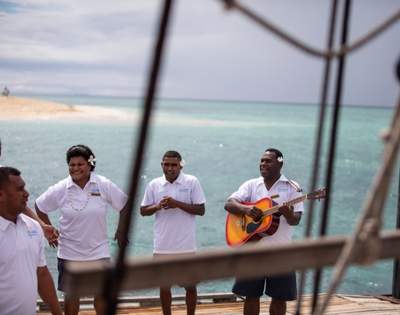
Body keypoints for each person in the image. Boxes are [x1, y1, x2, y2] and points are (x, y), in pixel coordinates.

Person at [35, 144, 129, 315]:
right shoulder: (61, 187)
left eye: (80, 164)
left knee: (101, 295)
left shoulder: (103, 184)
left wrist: (121, 230)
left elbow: (124, 204)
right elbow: (39, 206)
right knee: (72, 296)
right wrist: (48, 231)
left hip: (98, 251)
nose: (75, 168)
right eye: (72, 165)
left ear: (90, 164)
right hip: (69, 252)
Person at [224, 148, 304, 315]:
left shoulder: (292, 188)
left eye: (268, 161)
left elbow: (295, 220)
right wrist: (246, 210)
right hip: (252, 251)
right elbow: (229, 204)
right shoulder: (252, 185)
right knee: (251, 296)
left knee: (280, 297)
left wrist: (287, 213)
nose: (263, 164)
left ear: (280, 163)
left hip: (281, 252)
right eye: (262, 160)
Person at [140, 150, 206, 315]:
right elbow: (143, 210)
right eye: (167, 164)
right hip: (162, 246)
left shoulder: (191, 182)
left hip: (186, 246)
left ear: (180, 165)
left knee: (190, 286)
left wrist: (177, 203)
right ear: (162, 165)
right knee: (164, 286)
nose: (170, 168)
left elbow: (201, 209)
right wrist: (158, 206)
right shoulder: (154, 184)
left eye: (174, 165)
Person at [0, 166, 62, 315]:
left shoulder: (33, 227)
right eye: (20, 189)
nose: (27, 194)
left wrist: (57, 313)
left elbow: (42, 274)